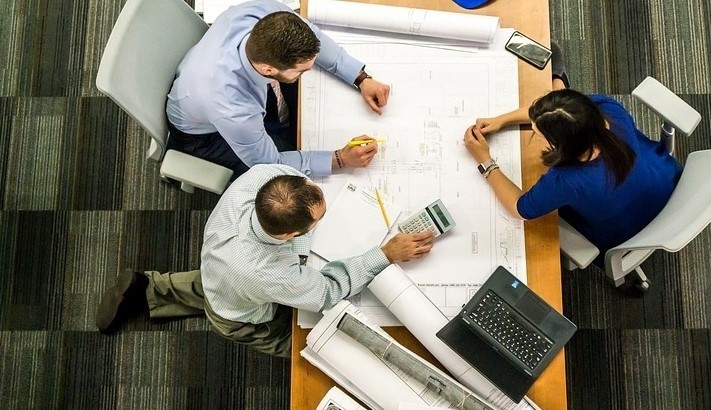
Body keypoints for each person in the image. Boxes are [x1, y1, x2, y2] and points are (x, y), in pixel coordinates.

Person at [95, 164, 435, 357]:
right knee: (308, 345)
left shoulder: (264, 177)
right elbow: (327, 292)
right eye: (317, 221)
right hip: (239, 314)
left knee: (217, 284)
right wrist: (385, 254)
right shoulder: (267, 272)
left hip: (219, 267)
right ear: (290, 234)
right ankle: (312, 351)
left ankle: (148, 288)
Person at [462, 43, 681, 265]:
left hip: (626, 232)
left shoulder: (566, 181)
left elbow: (519, 208)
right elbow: (558, 114)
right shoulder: (608, 109)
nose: (534, 132)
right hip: (667, 181)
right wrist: (501, 120)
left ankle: (558, 81)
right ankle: (559, 82)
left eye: (538, 133)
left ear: (560, 145)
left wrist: (485, 160)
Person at [166, 0, 392, 180]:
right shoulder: (233, 108)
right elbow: (270, 163)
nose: (309, 71)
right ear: (268, 69)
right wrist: (339, 159)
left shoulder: (265, 12)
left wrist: (360, 78)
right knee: (288, 176)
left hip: (205, 83)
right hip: (204, 136)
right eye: (302, 70)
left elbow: (314, 37)